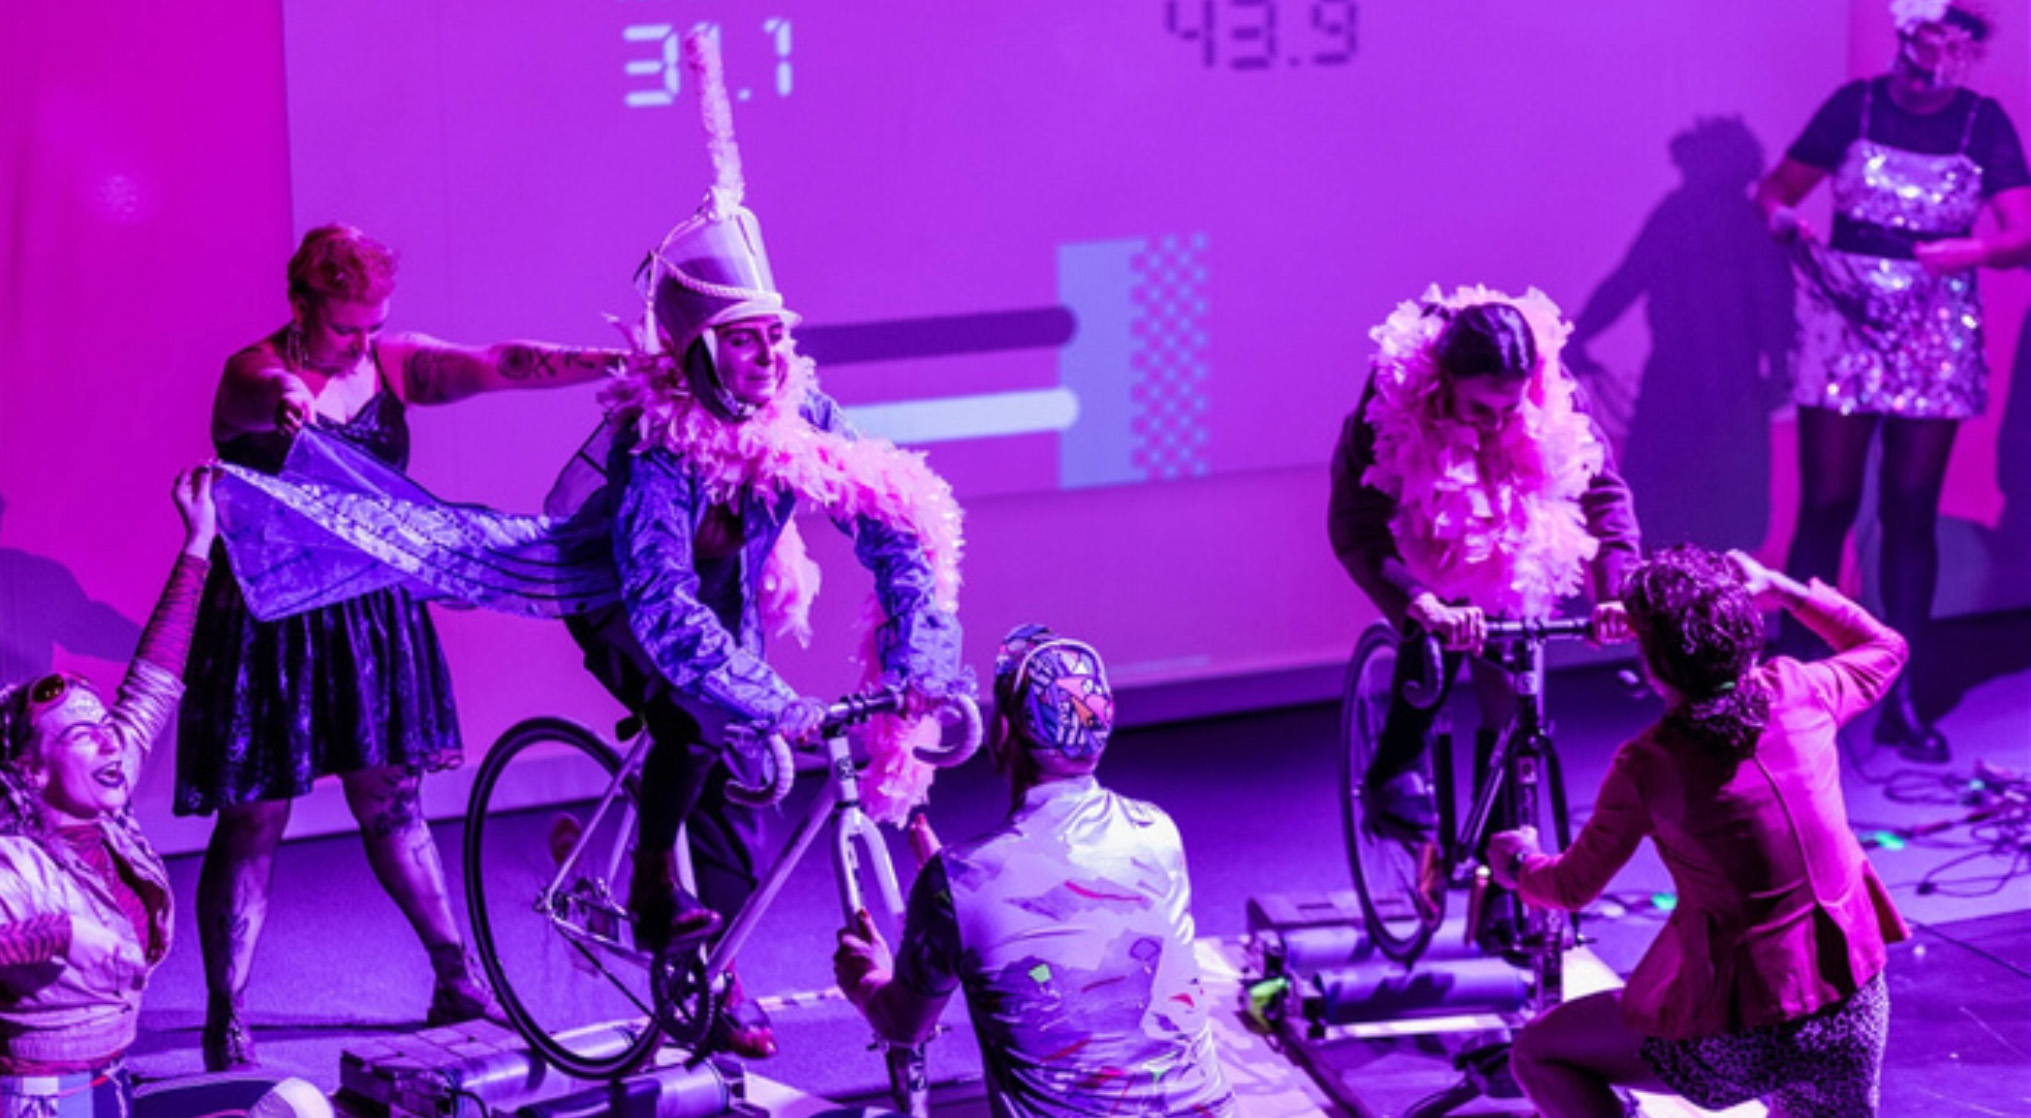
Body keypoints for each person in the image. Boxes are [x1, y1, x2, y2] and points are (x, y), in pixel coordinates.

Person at [547, 30, 966, 1060]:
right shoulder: (658, 443)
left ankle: (710, 950)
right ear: (699, 351)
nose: (771, 353)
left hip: (727, 603)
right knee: (695, 712)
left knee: (752, 793)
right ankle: (653, 884)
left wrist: (921, 654)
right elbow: (661, 608)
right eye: (746, 339)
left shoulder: (798, 408)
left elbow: (890, 517)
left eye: (777, 333)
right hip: (620, 600)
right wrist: (765, 698)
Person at [178, 224, 642, 1069]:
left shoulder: (387, 366)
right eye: (344, 326)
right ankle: (227, 1010)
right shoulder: (253, 372)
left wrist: (610, 364)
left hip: (366, 615)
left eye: (375, 324)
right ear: (299, 304)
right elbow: (267, 387)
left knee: (393, 802)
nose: (362, 342)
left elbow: (498, 364)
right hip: (271, 621)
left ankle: (453, 977)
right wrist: (290, 398)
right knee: (255, 817)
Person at [1487, 546, 1910, 1118]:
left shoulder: (1649, 765)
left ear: (1653, 664)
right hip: (1852, 1008)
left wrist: (1519, 864)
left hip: (1742, 1026)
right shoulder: (1801, 690)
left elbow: (1569, 888)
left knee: (1539, 1051)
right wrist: (1782, 588)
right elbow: (1886, 646)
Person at [1753, 0, 2031, 762]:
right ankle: (1792, 690)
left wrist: (1972, 253)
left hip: (1932, 324)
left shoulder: (1981, 122)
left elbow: (2022, 234)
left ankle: (1899, 695)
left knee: (1910, 510)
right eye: (1934, 36)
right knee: (1826, 504)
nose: (1944, 53)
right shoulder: (1858, 105)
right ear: (1909, 34)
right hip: (1843, 313)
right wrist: (1780, 221)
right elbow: (1774, 191)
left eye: (1959, 42)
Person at [831, 625, 1237, 1118]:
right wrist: (951, 891)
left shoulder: (958, 884)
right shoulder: (1158, 832)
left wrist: (868, 977)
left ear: (1001, 731)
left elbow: (903, 1025)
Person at [1327, 287, 1641, 841]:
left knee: (1513, 678)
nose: (1494, 425)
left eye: (1509, 410)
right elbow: (1355, 525)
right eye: (1479, 409)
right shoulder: (1392, 394)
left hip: (1509, 505)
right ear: (1442, 381)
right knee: (1439, 631)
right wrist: (1418, 601)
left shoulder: (1554, 391)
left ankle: (1499, 854)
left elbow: (1604, 495)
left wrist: (1614, 592)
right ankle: (1392, 770)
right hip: (1422, 508)